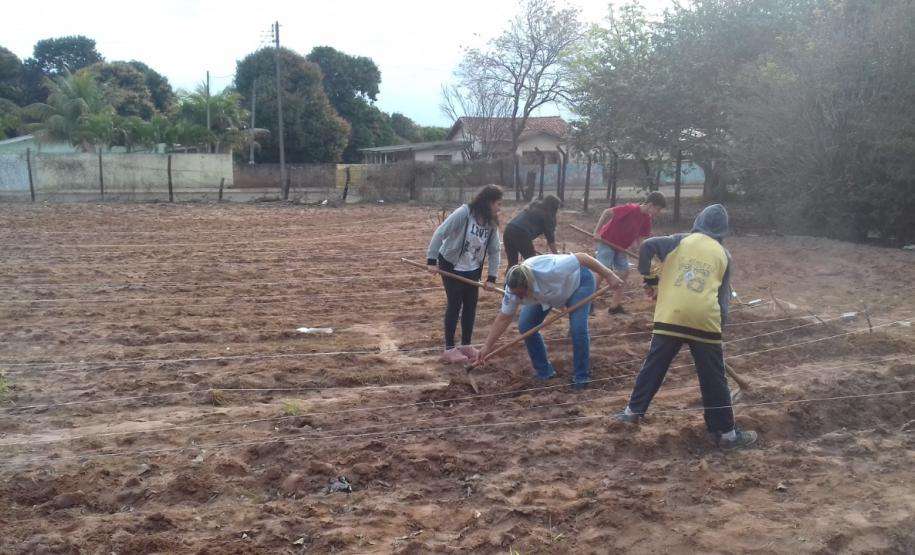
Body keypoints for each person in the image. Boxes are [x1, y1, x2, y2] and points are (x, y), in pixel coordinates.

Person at [614, 204, 758, 449]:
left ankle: (632, 412)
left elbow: (647, 246)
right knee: (714, 378)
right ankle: (726, 435)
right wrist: (717, 329)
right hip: (705, 320)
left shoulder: (679, 240)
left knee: (654, 367)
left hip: (671, 316)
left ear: (698, 221)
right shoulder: (724, 255)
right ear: (723, 230)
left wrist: (649, 280)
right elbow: (723, 299)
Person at [475, 253, 623, 389]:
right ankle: (544, 371)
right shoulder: (513, 291)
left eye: (521, 294)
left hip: (579, 283)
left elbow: (582, 257)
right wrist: (487, 346)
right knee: (526, 326)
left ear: (529, 285)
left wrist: (609, 275)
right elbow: (503, 318)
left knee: (578, 329)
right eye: (515, 294)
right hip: (549, 295)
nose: (518, 299)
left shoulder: (552, 270)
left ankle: (581, 377)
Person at [427, 184, 503, 364]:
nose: (499, 208)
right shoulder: (464, 213)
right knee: (455, 304)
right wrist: (431, 260)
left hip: (472, 268)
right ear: (488, 202)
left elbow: (495, 251)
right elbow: (441, 232)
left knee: (471, 305)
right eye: (497, 204)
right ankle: (449, 349)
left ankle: (466, 344)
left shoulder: (491, 224)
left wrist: (491, 277)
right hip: (450, 264)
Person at [592, 191, 666, 315]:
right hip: (607, 242)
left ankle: (615, 307)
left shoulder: (646, 220)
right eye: (657, 209)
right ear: (651, 205)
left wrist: (644, 254)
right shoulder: (631, 209)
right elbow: (607, 212)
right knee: (602, 271)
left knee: (624, 272)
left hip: (620, 248)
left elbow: (641, 241)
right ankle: (588, 303)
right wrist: (596, 232)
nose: (658, 213)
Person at [503, 195, 561, 268]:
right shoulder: (546, 216)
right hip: (521, 233)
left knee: (512, 264)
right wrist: (557, 255)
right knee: (533, 263)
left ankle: (508, 279)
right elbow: (550, 240)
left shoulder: (534, 207)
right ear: (553, 207)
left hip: (508, 230)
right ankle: (531, 279)